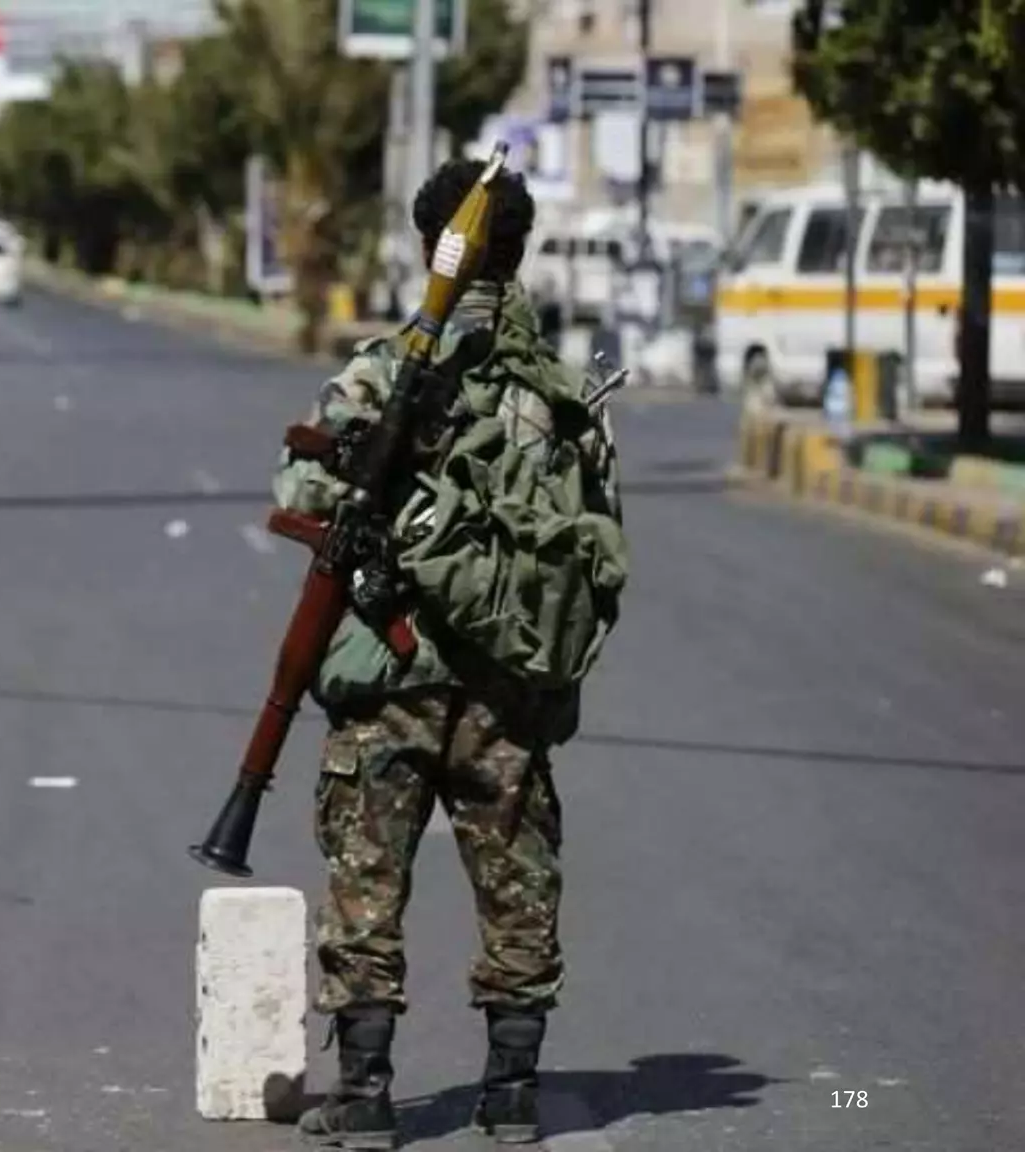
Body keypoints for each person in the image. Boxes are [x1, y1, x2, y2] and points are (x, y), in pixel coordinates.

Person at [275, 158, 627, 1148]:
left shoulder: (385, 369)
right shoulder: (558, 395)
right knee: (515, 875)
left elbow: (300, 499)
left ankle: (365, 1096)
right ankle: (509, 1094)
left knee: (364, 878)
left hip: (387, 680)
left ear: (423, 243)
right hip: (505, 686)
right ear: (518, 254)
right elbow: (595, 540)